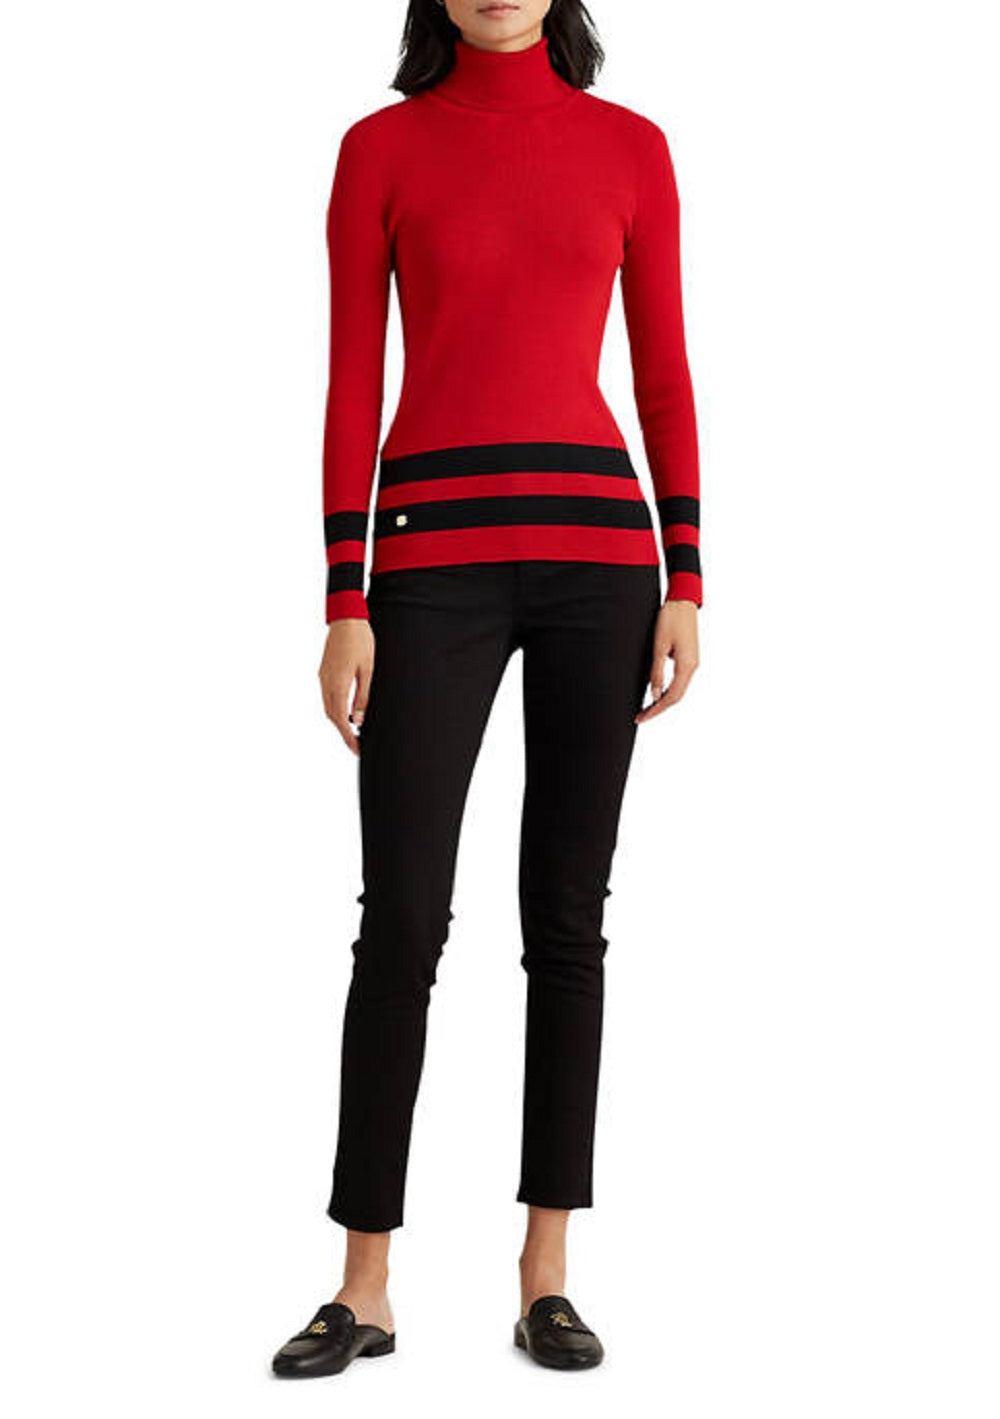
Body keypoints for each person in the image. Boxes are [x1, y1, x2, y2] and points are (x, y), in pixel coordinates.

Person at [272, 0, 702, 1378]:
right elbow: (353, 378)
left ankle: (545, 1270)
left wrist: (686, 576)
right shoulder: (381, 148)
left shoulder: (630, 147)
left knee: (565, 921)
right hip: (428, 569)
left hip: (601, 566)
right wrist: (346, 599)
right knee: (400, 918)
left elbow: (662, 370)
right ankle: (365, 1283)